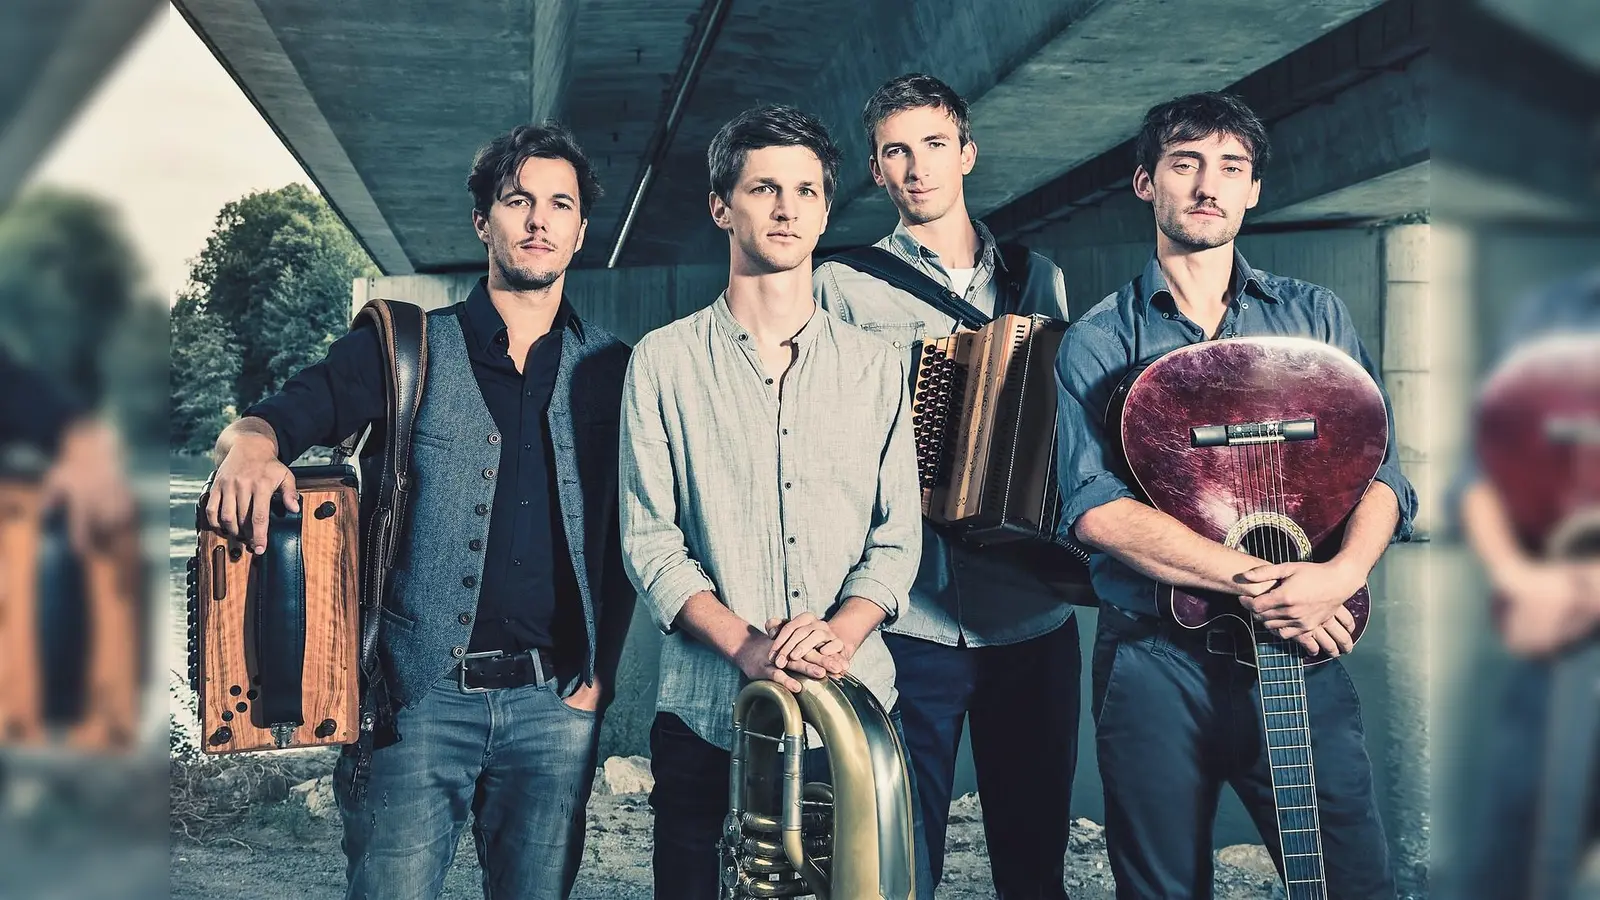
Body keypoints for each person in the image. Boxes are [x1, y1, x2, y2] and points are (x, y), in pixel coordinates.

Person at [206, 121, 635, 900]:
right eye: (518, 201)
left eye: (560, 205)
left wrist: (598, 681)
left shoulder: (614, 369)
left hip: (555, 706)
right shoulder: (405, 350)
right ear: (483, 222)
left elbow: (631, 536)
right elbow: (277, 418)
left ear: (579, 232)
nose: (539, 220)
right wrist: (250, 448)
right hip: (415, 702)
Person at [1054, 91, 1416, 898]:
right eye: (1184, 164)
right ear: (1146, 182)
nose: (1207, 185)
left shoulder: (1315, 317)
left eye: (1230, 167)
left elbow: (1382, 473)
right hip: (1155, 662)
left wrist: (1339, 576)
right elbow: (1094, 509)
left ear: (1253, 188)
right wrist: (1269, 584)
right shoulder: (1099, 339)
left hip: (1303, 642)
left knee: (1350, 880)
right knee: (1161, 889)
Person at [618, 104, 926, 899]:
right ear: (722, 207)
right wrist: (748, 648)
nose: (786, 208)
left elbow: (898, 538)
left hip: (852, 708)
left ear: (824, 211)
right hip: (705, 713)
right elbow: (650, 541)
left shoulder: (876, 367)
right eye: (763, 189)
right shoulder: (662, 362)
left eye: (805, 191)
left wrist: (838, 635)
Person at [813, 72, 1080, 899]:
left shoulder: (1040, 278)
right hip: (908, 622)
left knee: (1034, 867)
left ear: (967, 153)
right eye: (896, 151)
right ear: (875, 170)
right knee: (899, 867)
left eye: (934, 144)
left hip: (1031, 615)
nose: (917, 167)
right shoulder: (839, 285)